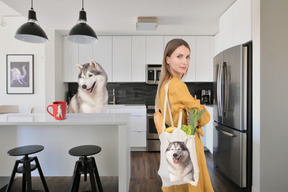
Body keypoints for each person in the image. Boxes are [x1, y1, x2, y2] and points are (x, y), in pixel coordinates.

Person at [155, 38, 214, 192]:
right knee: (193, 183)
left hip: (175, 143)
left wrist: (193, 114)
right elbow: (205, 117)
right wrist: (196, 113)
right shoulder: (178, 85)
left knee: (179, 185)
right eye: (179, 56)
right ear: (167, 59)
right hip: (189, 143)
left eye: (187, 57)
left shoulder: (164, 85)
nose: (185, 62)